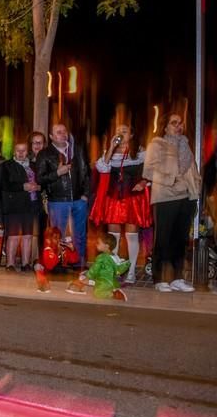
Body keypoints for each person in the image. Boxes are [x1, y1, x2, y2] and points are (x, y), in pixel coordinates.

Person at [142, 113, 200, 293]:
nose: (178, 125)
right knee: (163, 239)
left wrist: (196, 183)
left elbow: (192, 167)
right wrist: (171, 180)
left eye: (180, 122)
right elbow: (148, 171)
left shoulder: (185, 143)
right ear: (165, 126)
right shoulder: (157, 144)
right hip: (166, 196)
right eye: (173, 122)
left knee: (180, 240)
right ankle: (159, 278)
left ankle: (177, 277)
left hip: (187, 197)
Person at [89, 124, 150, 284]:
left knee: (131, 235)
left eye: (124, 131)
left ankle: (131, 272)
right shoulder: (110, 152)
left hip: (132, 198)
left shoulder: (141, 153)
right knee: (113, 237)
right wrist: (111, 147)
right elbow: (102, 168)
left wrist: (144, 182)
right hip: (114, 199)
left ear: (131, 135)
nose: (120, 134)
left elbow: (150, 171)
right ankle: (113, 269)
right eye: (118, 131)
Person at [36, 124, 90, 269]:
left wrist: (86, 194)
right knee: (57, 235)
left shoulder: (76, 150)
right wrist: (57, 173)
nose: (63, 134)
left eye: (64, 131)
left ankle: (79, 263)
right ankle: (58, 263)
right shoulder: (45, 154)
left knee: (79, 234)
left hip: (79, 200)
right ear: (52, 137)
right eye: (58, 132)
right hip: (58, 200)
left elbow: (86, 172)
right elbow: (40, 179)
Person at [1, 143, 41, 272]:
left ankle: (25, 264)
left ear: (27, 151)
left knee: (28, 235)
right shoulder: (7, 165)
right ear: (14, 152)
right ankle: (10, 264)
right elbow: (3, 184)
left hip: (32, 204)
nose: (21, 153)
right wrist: (22, 186)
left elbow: (42, 181)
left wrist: (39, 187)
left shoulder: (34, 166)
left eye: (23, 150)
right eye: (18, 150)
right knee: (13, 235)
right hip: (14, 205)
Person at [66, 233, 130, 301]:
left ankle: (114, 294)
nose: (96, 244)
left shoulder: (102, 257)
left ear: (106, 246)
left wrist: (88, 276)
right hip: (112, 281)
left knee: (98, 293)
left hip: (104, 281)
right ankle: (80, 284)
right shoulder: (114, 256)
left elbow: (94, 270)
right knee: (85, 277)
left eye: (98, 243)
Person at [33, 226, 80, 293]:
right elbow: (50, 266)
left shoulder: (62, 247)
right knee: (37, 265)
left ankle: (73, 286)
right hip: (49, 271)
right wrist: (58, 253)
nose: (58, 240)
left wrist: (73, 250)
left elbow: (74, 260)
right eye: (55, 238)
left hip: (60, 270)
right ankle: (43, 283)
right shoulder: (47, 249)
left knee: (77, 273)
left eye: (59, 238)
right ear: (48, 240)